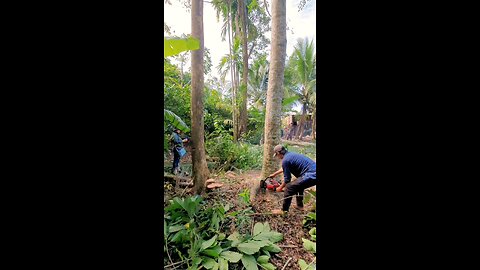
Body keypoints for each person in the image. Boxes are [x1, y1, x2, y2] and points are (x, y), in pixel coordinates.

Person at [268, 145, 316, 214]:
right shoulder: (290, 155)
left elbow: (287, 180)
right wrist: (274, 174)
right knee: (298, 185)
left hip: (311, 174)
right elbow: (285, 168)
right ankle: (300, 206)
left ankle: (284, 211)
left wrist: (280, 188)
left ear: (278, 153)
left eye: (277, 155)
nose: (278, 157)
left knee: (289, 187)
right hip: (313, 173)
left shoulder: (285, 160)